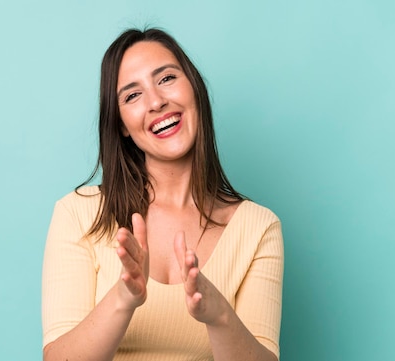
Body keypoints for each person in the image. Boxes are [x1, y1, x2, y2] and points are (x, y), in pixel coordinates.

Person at [42, 28, 283, 361]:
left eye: (167, 78)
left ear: (194, 88)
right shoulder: (77, 214)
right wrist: (124, 297)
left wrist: (219, 316)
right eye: (132, 95)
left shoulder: (259, 227)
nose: (156, 101)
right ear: (122, 124)